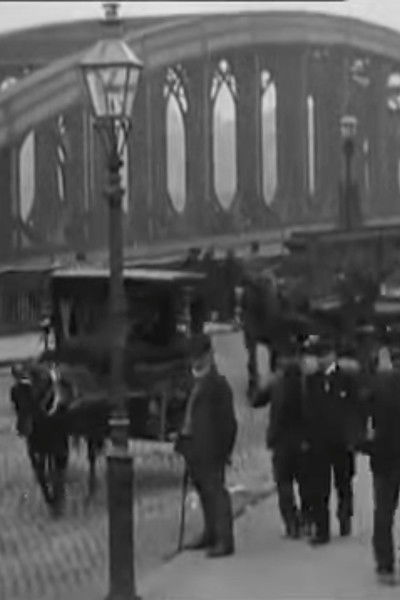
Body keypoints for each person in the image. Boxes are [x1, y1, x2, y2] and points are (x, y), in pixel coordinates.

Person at [175, 334, 237, 557]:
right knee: (203, 491)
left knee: (216, 492)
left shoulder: (218, 385)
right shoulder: (189, 382)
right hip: (192, 446)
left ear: (209, 355)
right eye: (194, 357)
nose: (197, 361)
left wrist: (224, 451)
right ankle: (210, 533)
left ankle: (224, 539)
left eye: (200, 356)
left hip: (211, 448)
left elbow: (228, 423)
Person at [301, 339, 360, 545]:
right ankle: (322, 529)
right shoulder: (312, 380)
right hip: (320, 442)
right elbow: (307, 411)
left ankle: (345, 517)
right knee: (320, 487)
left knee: (343, 483)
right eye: (319, 356)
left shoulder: (346, 378)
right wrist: (307, 438)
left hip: (342, 442)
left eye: (325, 355)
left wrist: (353, 437)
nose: (322, 360)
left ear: (333, 355)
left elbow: (355, 409)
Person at [261, 350, 313, 538]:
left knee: (284, 483)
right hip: (303, 442)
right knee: (306, 483)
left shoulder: (276, 385)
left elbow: (256, 399)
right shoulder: (307, 385)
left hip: (281, 443)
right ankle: (307, 520)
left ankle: (291, 523)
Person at [366, 345, 400, 586]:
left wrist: (367, 445)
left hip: (385, 458)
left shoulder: (376, 384)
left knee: (383, 512)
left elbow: (363, 419)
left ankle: (385, 566)